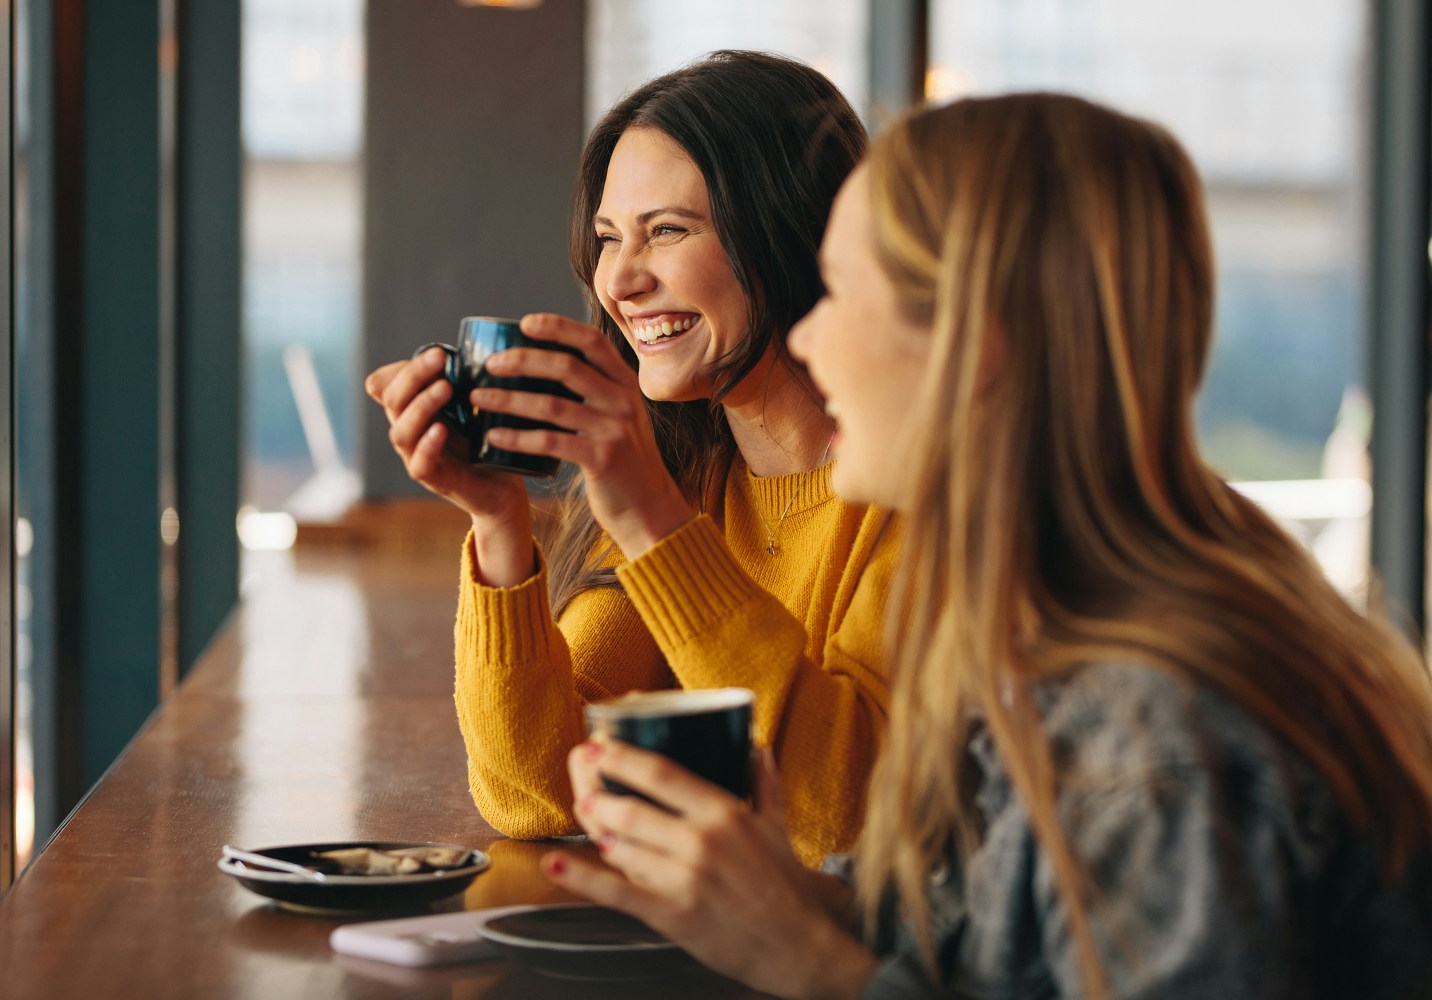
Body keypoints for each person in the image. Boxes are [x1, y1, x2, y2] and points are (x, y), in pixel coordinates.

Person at [545, 92, 1432, 999]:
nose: (806, 337)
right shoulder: (1052, 644)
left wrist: (808, 962)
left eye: (842, 292)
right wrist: (781, 898)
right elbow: (987, 953)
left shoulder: (1151, 740)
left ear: (976, 345)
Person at [365, 51, 900, 863]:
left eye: (668, 231)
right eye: (610, 238)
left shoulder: (914, 491)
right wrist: (499, 520)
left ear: (794, 236)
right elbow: (536, 792)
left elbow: (842, 819)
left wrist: (651, 515)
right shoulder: (687, 480)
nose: (618, 281)